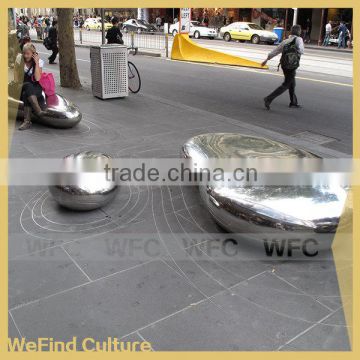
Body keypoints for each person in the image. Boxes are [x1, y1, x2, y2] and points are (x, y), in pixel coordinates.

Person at [262, 24, 304, 110]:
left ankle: (293, 102)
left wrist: (266, 59)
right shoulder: (299, 39)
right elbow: (301, 50)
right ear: (299, 32)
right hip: (292, 65)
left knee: (292, 83)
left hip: (284, 65)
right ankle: (268, 98)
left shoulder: (285, 41)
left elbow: (275, 51)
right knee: (286, 84)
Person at [14, 43, 48, 130]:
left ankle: (27, 122)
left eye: (28, 54)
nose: (25, 55)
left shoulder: (38, 62)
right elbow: (16, 78)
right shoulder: (19, 59)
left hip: (34, 86)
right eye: (24, 53)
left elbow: (37, 78)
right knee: (27, 86)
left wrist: (36, 63)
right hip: (21, 85)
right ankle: (38, 111)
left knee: (27, 93)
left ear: (33, 54)